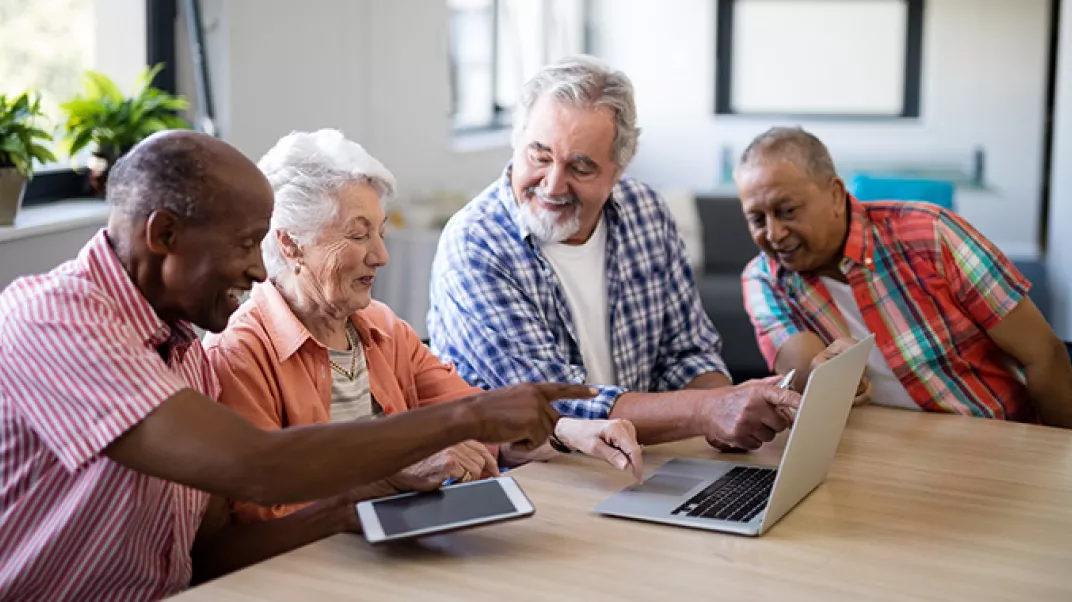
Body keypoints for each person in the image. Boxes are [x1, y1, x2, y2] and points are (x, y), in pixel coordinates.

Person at [0, 130, 590, 600]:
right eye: (243, 244)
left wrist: (344, 511)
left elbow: (209, 556)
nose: (258, 273)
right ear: (165, 235)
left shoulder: (184, 354)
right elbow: (258, 468)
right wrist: (470, 416)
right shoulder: (56, 318)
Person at [203, 129, 643, 524]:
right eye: (358, 236)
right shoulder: (240, 353)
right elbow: (261, 513)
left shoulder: (382, 328)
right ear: (290, 243)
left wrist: (569, 432)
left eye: (379, 232)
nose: (381, 256)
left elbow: (477, 418)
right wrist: (391, 474)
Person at [427, 55, 801, 452]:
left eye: (581, 167)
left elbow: (687, 352)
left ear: (617, 170)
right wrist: (708, 409)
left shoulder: (646, 212)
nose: (553, 185)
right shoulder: (475, 245)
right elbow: (552, 404)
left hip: (634, 463)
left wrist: (728, 417)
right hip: (529, 477)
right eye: (540, 156)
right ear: (517, 143)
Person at [737, 126, 1072, 426]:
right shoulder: (765, 279)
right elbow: (806, 375)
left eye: (787, 211)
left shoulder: (931, 234)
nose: (774, 233)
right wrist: (825, 379)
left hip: (991, 435)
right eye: (757, 219)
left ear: (836, 195)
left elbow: (1044, 353)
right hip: (878, 455)